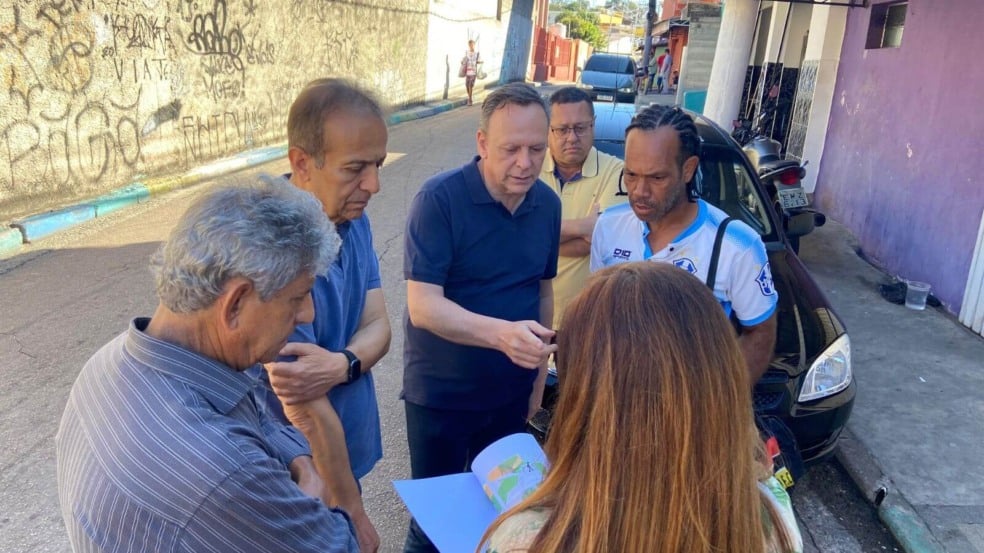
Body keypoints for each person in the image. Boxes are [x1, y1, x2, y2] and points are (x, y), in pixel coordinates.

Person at [56, 179, 360, 552]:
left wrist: (302, 463)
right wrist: (314, 500)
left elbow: (256, 413)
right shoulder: (224, 471)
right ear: (234, 305)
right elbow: (340, 544)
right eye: (297, 297)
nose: (307, 313)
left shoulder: (110, 363)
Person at [482, 262, 803, 553]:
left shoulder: (525, 540)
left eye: (563, 355)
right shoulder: (772, 517)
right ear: (720, 384)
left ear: (591, 396)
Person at [402, 82, 561, 553]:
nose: (525, 163)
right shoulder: (439, 201)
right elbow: (423, 305)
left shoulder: (547, 204)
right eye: (511, 149)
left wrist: (537, 375)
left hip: (510, 395)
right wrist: (502, 336)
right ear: (482, 144)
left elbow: (541, 289)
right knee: (436, 525)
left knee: (504, 515)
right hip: (441, 399)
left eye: (536, 148)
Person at [249, 78, 390, 552]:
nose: (373, 184)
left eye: (378, 165)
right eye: (355, 168)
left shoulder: (355, 219)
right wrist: (353, 510)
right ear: (302, 163)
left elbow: (380, 326)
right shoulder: (272, 240)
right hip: (294, 470)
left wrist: (341, 363)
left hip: (345, 449)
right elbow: (302, 402)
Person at [590, 104, 778, 384]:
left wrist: (717, 400)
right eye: (630, 175)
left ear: (688, 169)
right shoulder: (608, 227)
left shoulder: (737, 246)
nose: (639, 191)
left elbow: (761, 334)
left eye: (657, 177)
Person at [538, 87, 627, 328]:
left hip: (585, 322)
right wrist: (583, 227)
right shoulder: (529, 169)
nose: (572, 137)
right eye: (562, 129)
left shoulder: (617, 172)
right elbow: (510, 234)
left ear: (593, 125)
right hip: (528, 315)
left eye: (580, 128)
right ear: (548, 130)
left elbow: (601, 240)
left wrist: (534, 238)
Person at [462, 39, 481, 106]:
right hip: (467, 72)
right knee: (467, 86)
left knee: (470, 85)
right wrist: (462, 62)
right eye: (470, 45)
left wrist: (480, 62)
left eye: (472, 45)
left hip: (473, 72)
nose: (471, 46)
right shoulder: (467, 53)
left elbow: (479, 60)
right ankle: (470, 98)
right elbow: (464, 60)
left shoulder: (477, 53)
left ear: (474, 45)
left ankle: (470, 100)